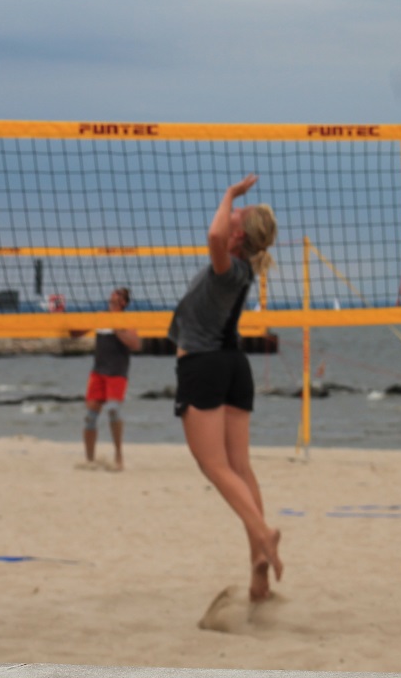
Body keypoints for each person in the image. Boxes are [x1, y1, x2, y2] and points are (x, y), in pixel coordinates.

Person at [168, 174, 281, 602]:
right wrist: (234, 205)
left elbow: (214, 233)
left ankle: (263, 533)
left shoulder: (227, 266)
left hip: (204, 366)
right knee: (241, 468)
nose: (231, 213)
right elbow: (221, 230)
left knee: (215, 468)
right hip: (235, 365)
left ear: (238, 234)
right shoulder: (243, 270)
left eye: (237, 215)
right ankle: (259, 574)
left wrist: (231, 193)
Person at [71, 287, 141, 470]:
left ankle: (119, 456)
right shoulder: (101, 317)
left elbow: (135, 344)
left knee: (113, 411)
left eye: (115, 298)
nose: (111, 300)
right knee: (90, 417)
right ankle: (89, 459)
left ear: (123, 303)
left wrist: (117, 328)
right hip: (98, 372)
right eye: (110, 298)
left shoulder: (127, 321)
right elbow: (75, 333)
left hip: (117, 373)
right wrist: (65, 322)